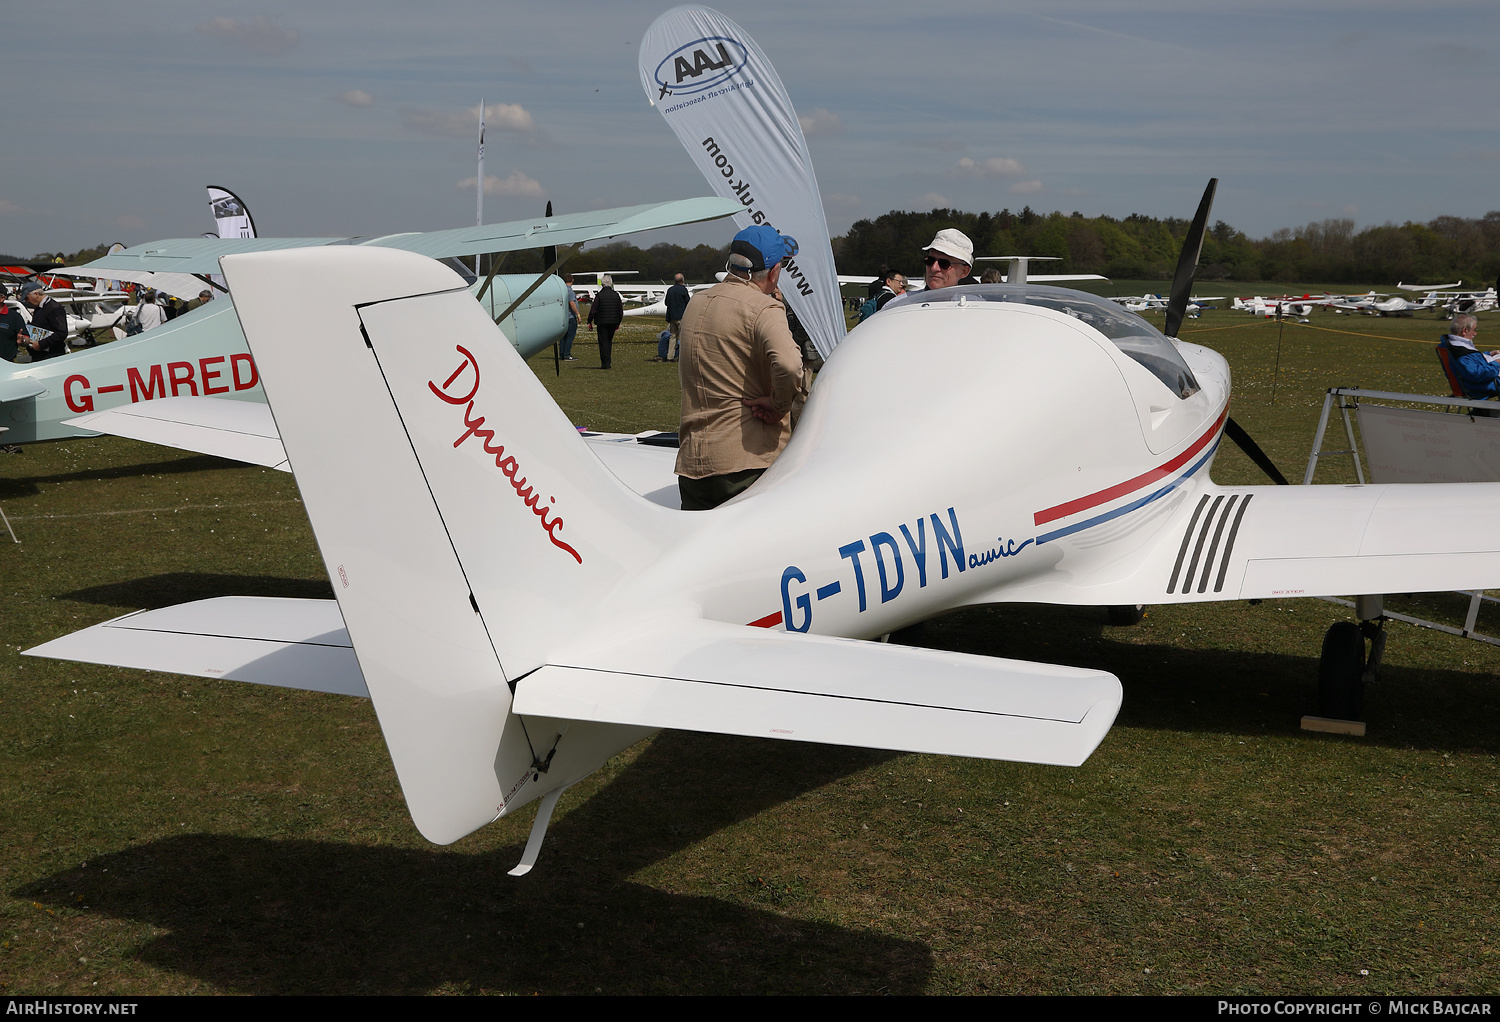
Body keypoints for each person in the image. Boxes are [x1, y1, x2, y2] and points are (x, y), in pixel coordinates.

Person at [675, 225, 807, 511]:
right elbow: (789, 364)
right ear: (774, 272)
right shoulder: (764, 307)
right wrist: (777, 405)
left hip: (692, 464)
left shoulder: (697, 301)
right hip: (745, 464)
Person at [1437, 313, 1497, 403]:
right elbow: (1477, 374)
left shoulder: (1452, 345)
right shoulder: (1460, 352)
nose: (1475, 333)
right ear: (1465, 331)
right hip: (1479, 386)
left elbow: (1472, 359)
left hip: (1474, 383)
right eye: (1474, 330)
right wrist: (1497, 363)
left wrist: (1489, 354)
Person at [921, 228, 979, 292]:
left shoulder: (975, 302)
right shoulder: (909, 300)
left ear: (964, 271)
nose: (934, 268)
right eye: (930, 261)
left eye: (944, 263)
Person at [20, 283, 68, 360]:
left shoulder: (54, 308)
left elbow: (61, 333)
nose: (26, 301)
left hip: (51, 356)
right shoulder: (39, 308)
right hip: (40, 355)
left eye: (27, 298)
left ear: (36, 294)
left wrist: (41, 344)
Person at [586, 274, 623, 369]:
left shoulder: (599, 296)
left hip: (602, 322)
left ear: (602, 284)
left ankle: (605, 363)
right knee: (609, 342)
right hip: (613, 321)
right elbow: (620, 311)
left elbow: (593, 310)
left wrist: (589, 321)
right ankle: (608, 362)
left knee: (603, 342)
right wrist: (618, 322)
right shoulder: (616, 295)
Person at [662, 272, 691, 361]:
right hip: (681, 317)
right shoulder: (683, 290)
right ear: (682, 280)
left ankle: (669, 356)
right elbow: (688, 302)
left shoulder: (670, 290)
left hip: (672, 317)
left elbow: (666, 302)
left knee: (673, 337)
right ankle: (681, 356)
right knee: (683, 337)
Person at [559, 274, 579, 361]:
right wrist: (578, 314)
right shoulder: (570, 291)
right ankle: (567, 354)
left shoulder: (562, 290)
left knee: (563, 337)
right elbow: (572, 303)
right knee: (570, 336)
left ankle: (562, 353)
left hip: (563, 317)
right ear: (572, 280)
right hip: (570, 317)